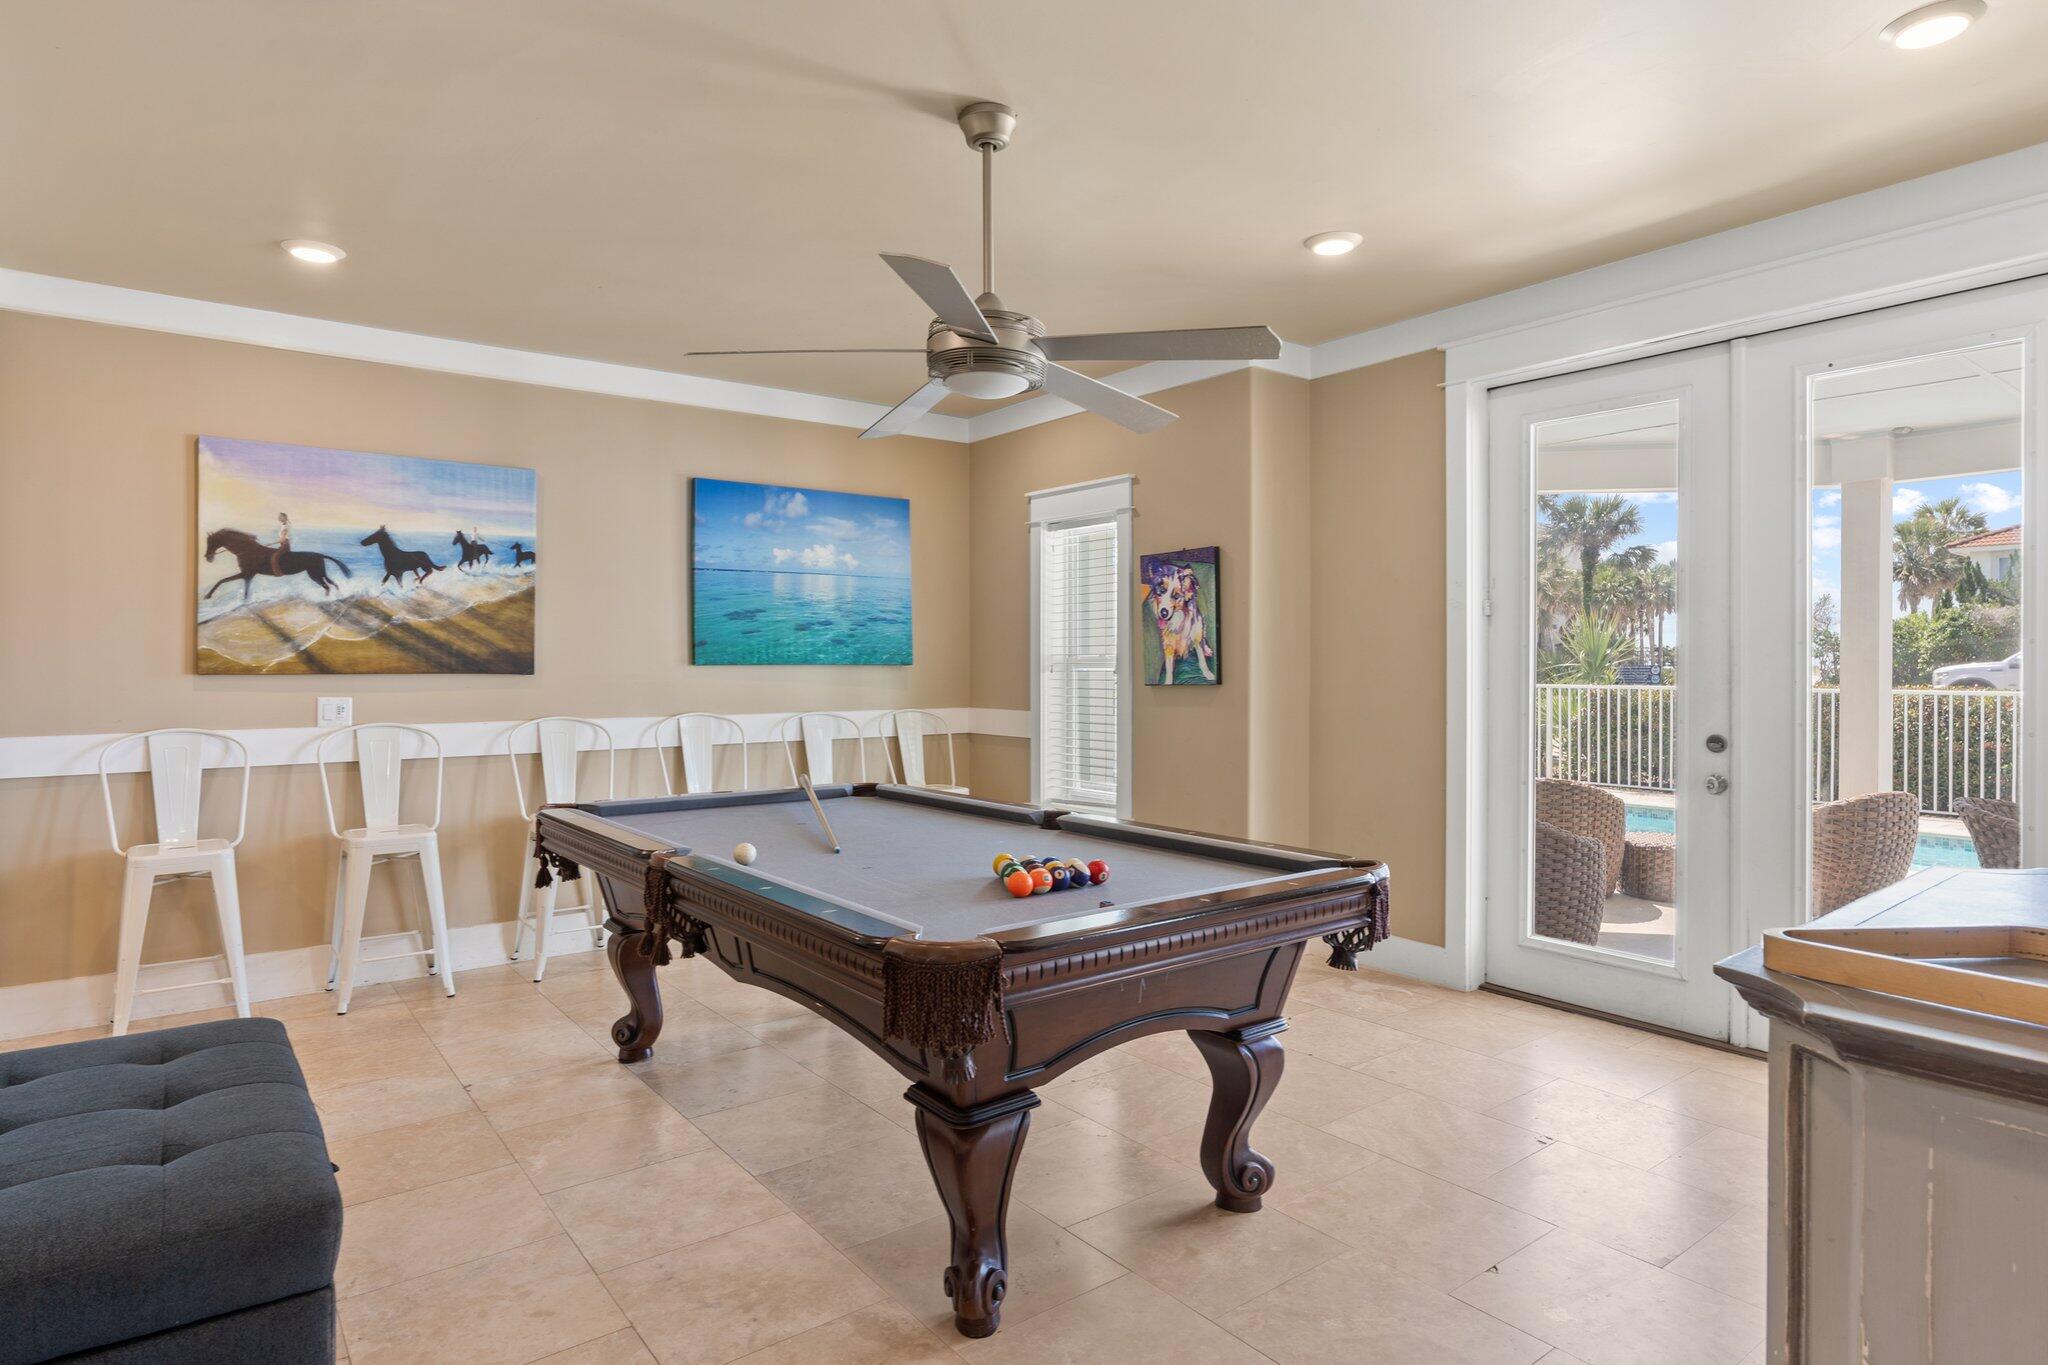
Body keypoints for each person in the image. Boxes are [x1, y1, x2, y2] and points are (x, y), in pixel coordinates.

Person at [269, 512, 292, 577]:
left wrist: (270, 544)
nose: (278, 518)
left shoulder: (285, 526)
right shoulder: (283, 525)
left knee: (274, 558)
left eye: (280, 516)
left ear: (284, 517)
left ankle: (279, 573)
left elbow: (282, 539)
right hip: (282, 545)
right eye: (279, 516)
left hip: (285, 545)